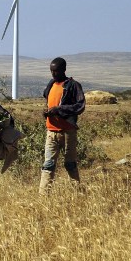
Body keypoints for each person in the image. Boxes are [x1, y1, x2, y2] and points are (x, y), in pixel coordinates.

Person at [40, 57, 86, 194]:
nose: (53, 74)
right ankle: (43, 196)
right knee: (48, 165)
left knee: (70, 164)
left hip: (68, 132)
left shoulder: (73, 85)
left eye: (56, 71)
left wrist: (59, 110)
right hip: (51, 131)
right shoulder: (50, 84)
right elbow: (48, 101)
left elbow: (80, 106)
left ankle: (77, 192)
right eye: (51, 71)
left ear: (64, 70)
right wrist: (47, 112)